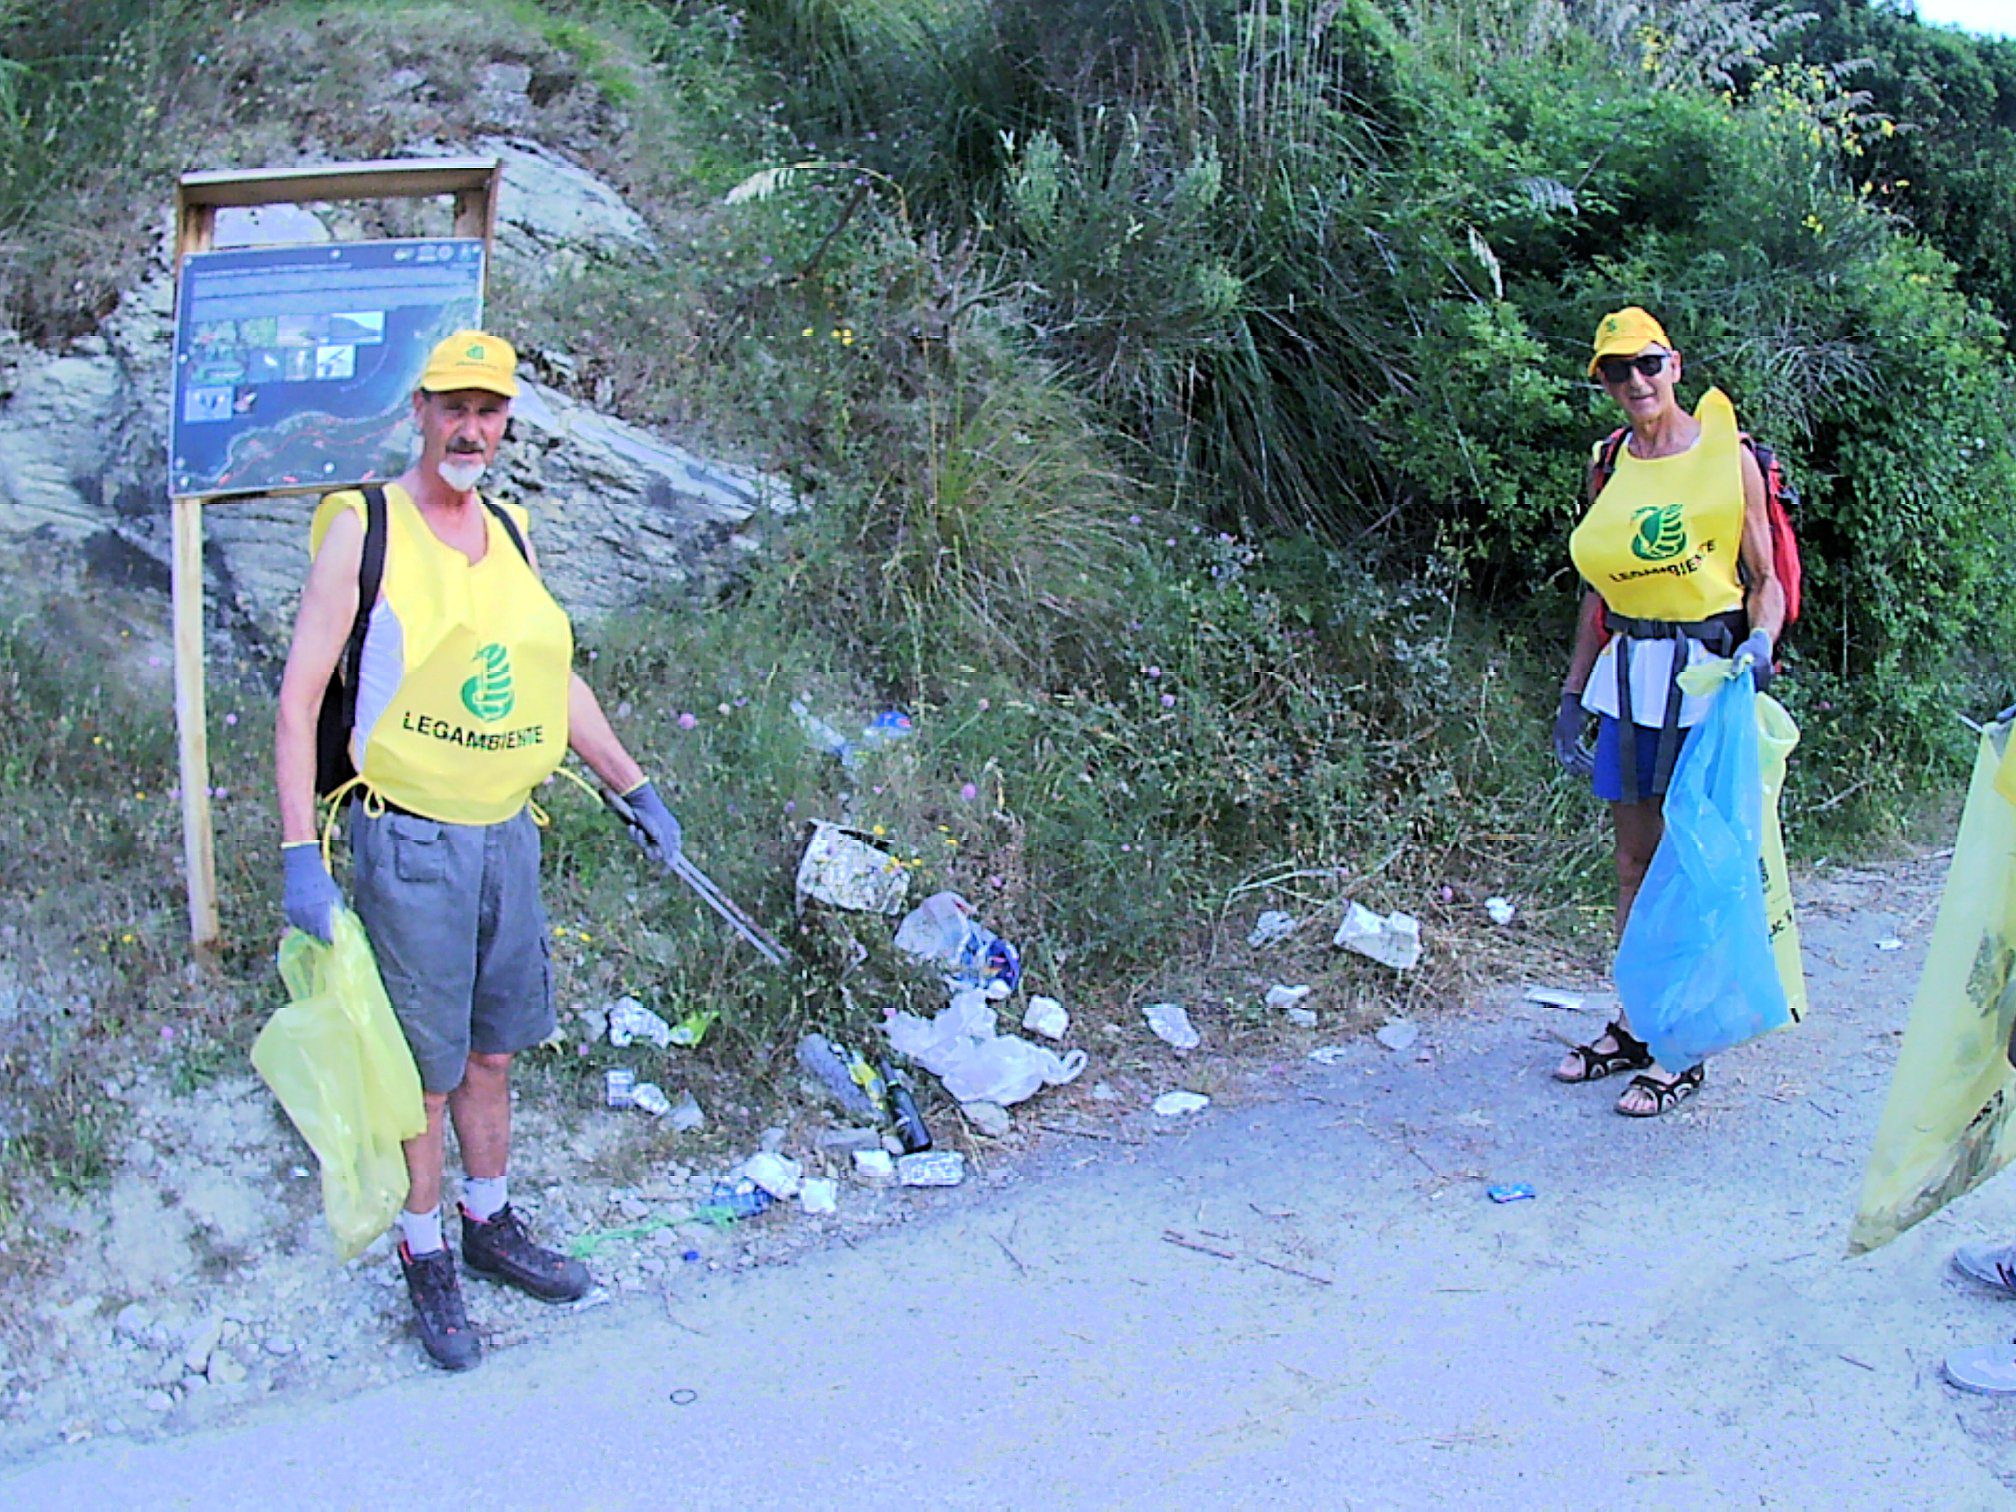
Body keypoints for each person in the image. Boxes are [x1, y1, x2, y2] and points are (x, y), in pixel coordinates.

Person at [272, 330, 684, 1370]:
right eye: (454, 407)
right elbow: (298, 700)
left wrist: (631, 780)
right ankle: (425, 1256)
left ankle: (489, 1223)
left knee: (495, 1049)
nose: (471, 427)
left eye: (489, 410)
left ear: (506, 422)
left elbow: (553, 677)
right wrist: (297, 853)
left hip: (508, 832)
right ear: (420, 410)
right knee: (426, 1070)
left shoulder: (510, 533)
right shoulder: (364, 530)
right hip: (409, 838)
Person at [1549, 307, 1785, 1117]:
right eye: (1616, 371)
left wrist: (1760, 643)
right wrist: (1573, 691)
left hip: (1705, 678)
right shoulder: (1609, 461)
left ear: (1674, 364)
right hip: (1631, 676)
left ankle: (1681, 1047)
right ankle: (1637, 1022)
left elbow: (1766, 577)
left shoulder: (1731, 458)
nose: (1635, 383)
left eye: (1646, 364)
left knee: (1694, 864)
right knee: (1632, 863)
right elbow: (1598, 588)